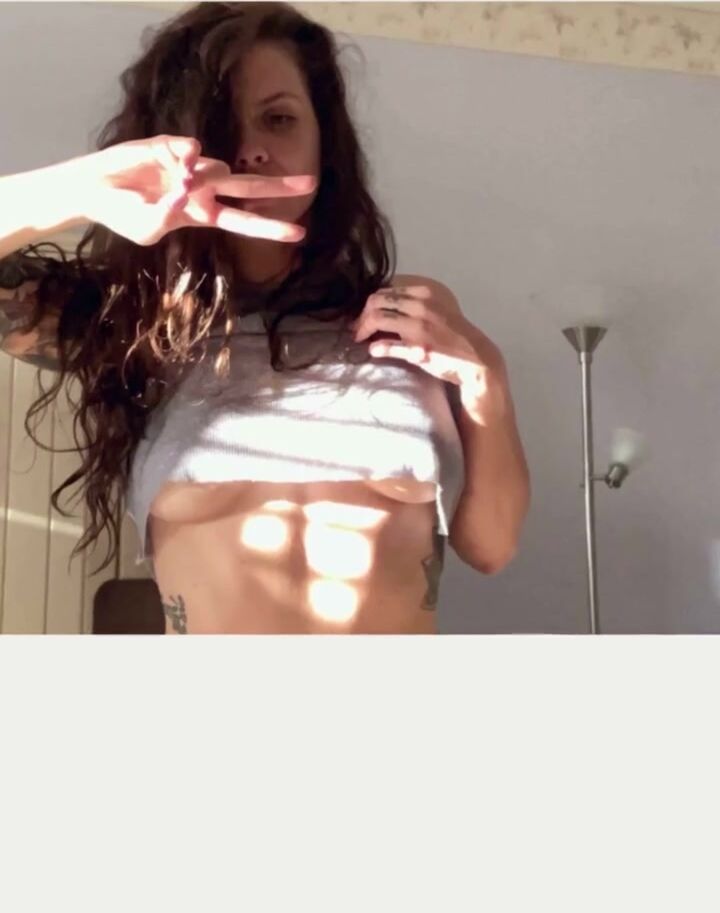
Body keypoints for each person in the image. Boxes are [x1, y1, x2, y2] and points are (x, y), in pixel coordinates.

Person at [0, 1, 530, 634]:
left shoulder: (405, 313)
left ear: (324, 143)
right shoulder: (134, 324)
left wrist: (487, 378)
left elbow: (491, 548)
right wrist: (79, 189)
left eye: (278, 118)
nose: (251, 149)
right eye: (221, 125)